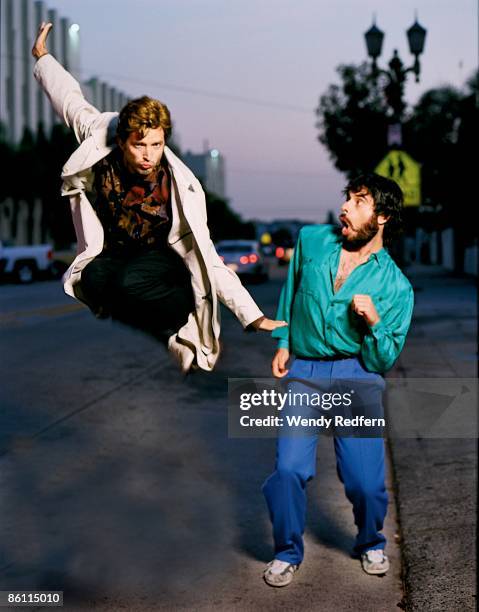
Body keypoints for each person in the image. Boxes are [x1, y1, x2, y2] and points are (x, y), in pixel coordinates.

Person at [32, 23, 286, 373]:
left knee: (130, 281)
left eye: (157, 144)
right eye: (140, 145)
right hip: (120, 255)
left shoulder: (180, 189)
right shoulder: (100, 139)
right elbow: (70, 102)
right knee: (90, 279)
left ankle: (178, 327)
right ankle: (166, 332)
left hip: (165, 265)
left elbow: (210, 260)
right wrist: (43, 59)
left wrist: (254, 317)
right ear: (122, 141)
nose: (149, 155)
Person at [262, 173, 414, 586]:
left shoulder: (396, 286)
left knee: (365, 483)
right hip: (306, 370)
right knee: (289, 469)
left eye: (359, 201)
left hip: (357, 374)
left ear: (381, 216)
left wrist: (375, 322)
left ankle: (370, 541)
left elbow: (384, 356)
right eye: (347, 198)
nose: (346, 207)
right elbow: (291, 287)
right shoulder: (312, 240)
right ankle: (287, 550)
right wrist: (283, 340)